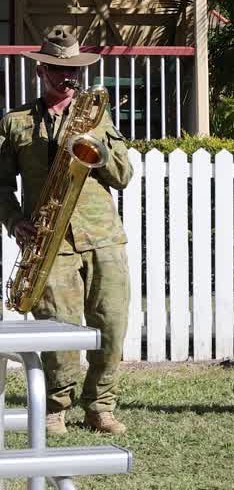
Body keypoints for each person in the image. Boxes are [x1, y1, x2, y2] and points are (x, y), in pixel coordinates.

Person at [0, 28, 133, 435]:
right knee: (59, 329)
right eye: (58, 70)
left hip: (103, 236)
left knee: (111, 324)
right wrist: (13, 219)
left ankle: (101, 406)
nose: (68, 77)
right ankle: (57, 404)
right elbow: (1, 185)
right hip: (48, 239)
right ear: (41, 69)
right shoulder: (16, 122)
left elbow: (124, 176)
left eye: (73, 70)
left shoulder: (99, 118)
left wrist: (97, 145)